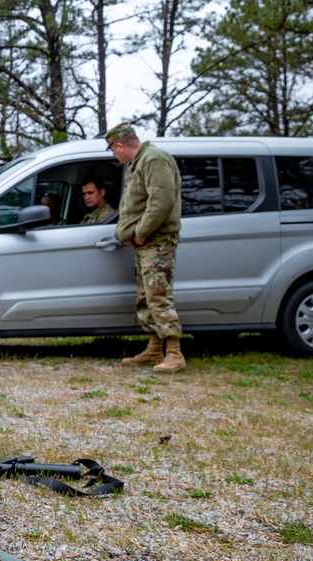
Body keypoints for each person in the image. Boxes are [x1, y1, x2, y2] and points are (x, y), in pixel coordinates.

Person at [105, 122, 185, 373]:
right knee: (146, 296)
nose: (114, 155)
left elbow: (161, 202)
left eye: (112, 150)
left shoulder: (153, 159)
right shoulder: (140, 162)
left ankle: (174, 353)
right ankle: (154, 349)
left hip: (155, 241)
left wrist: (140, 232)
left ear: (120, 145)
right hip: (146, 243)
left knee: (158, 294)